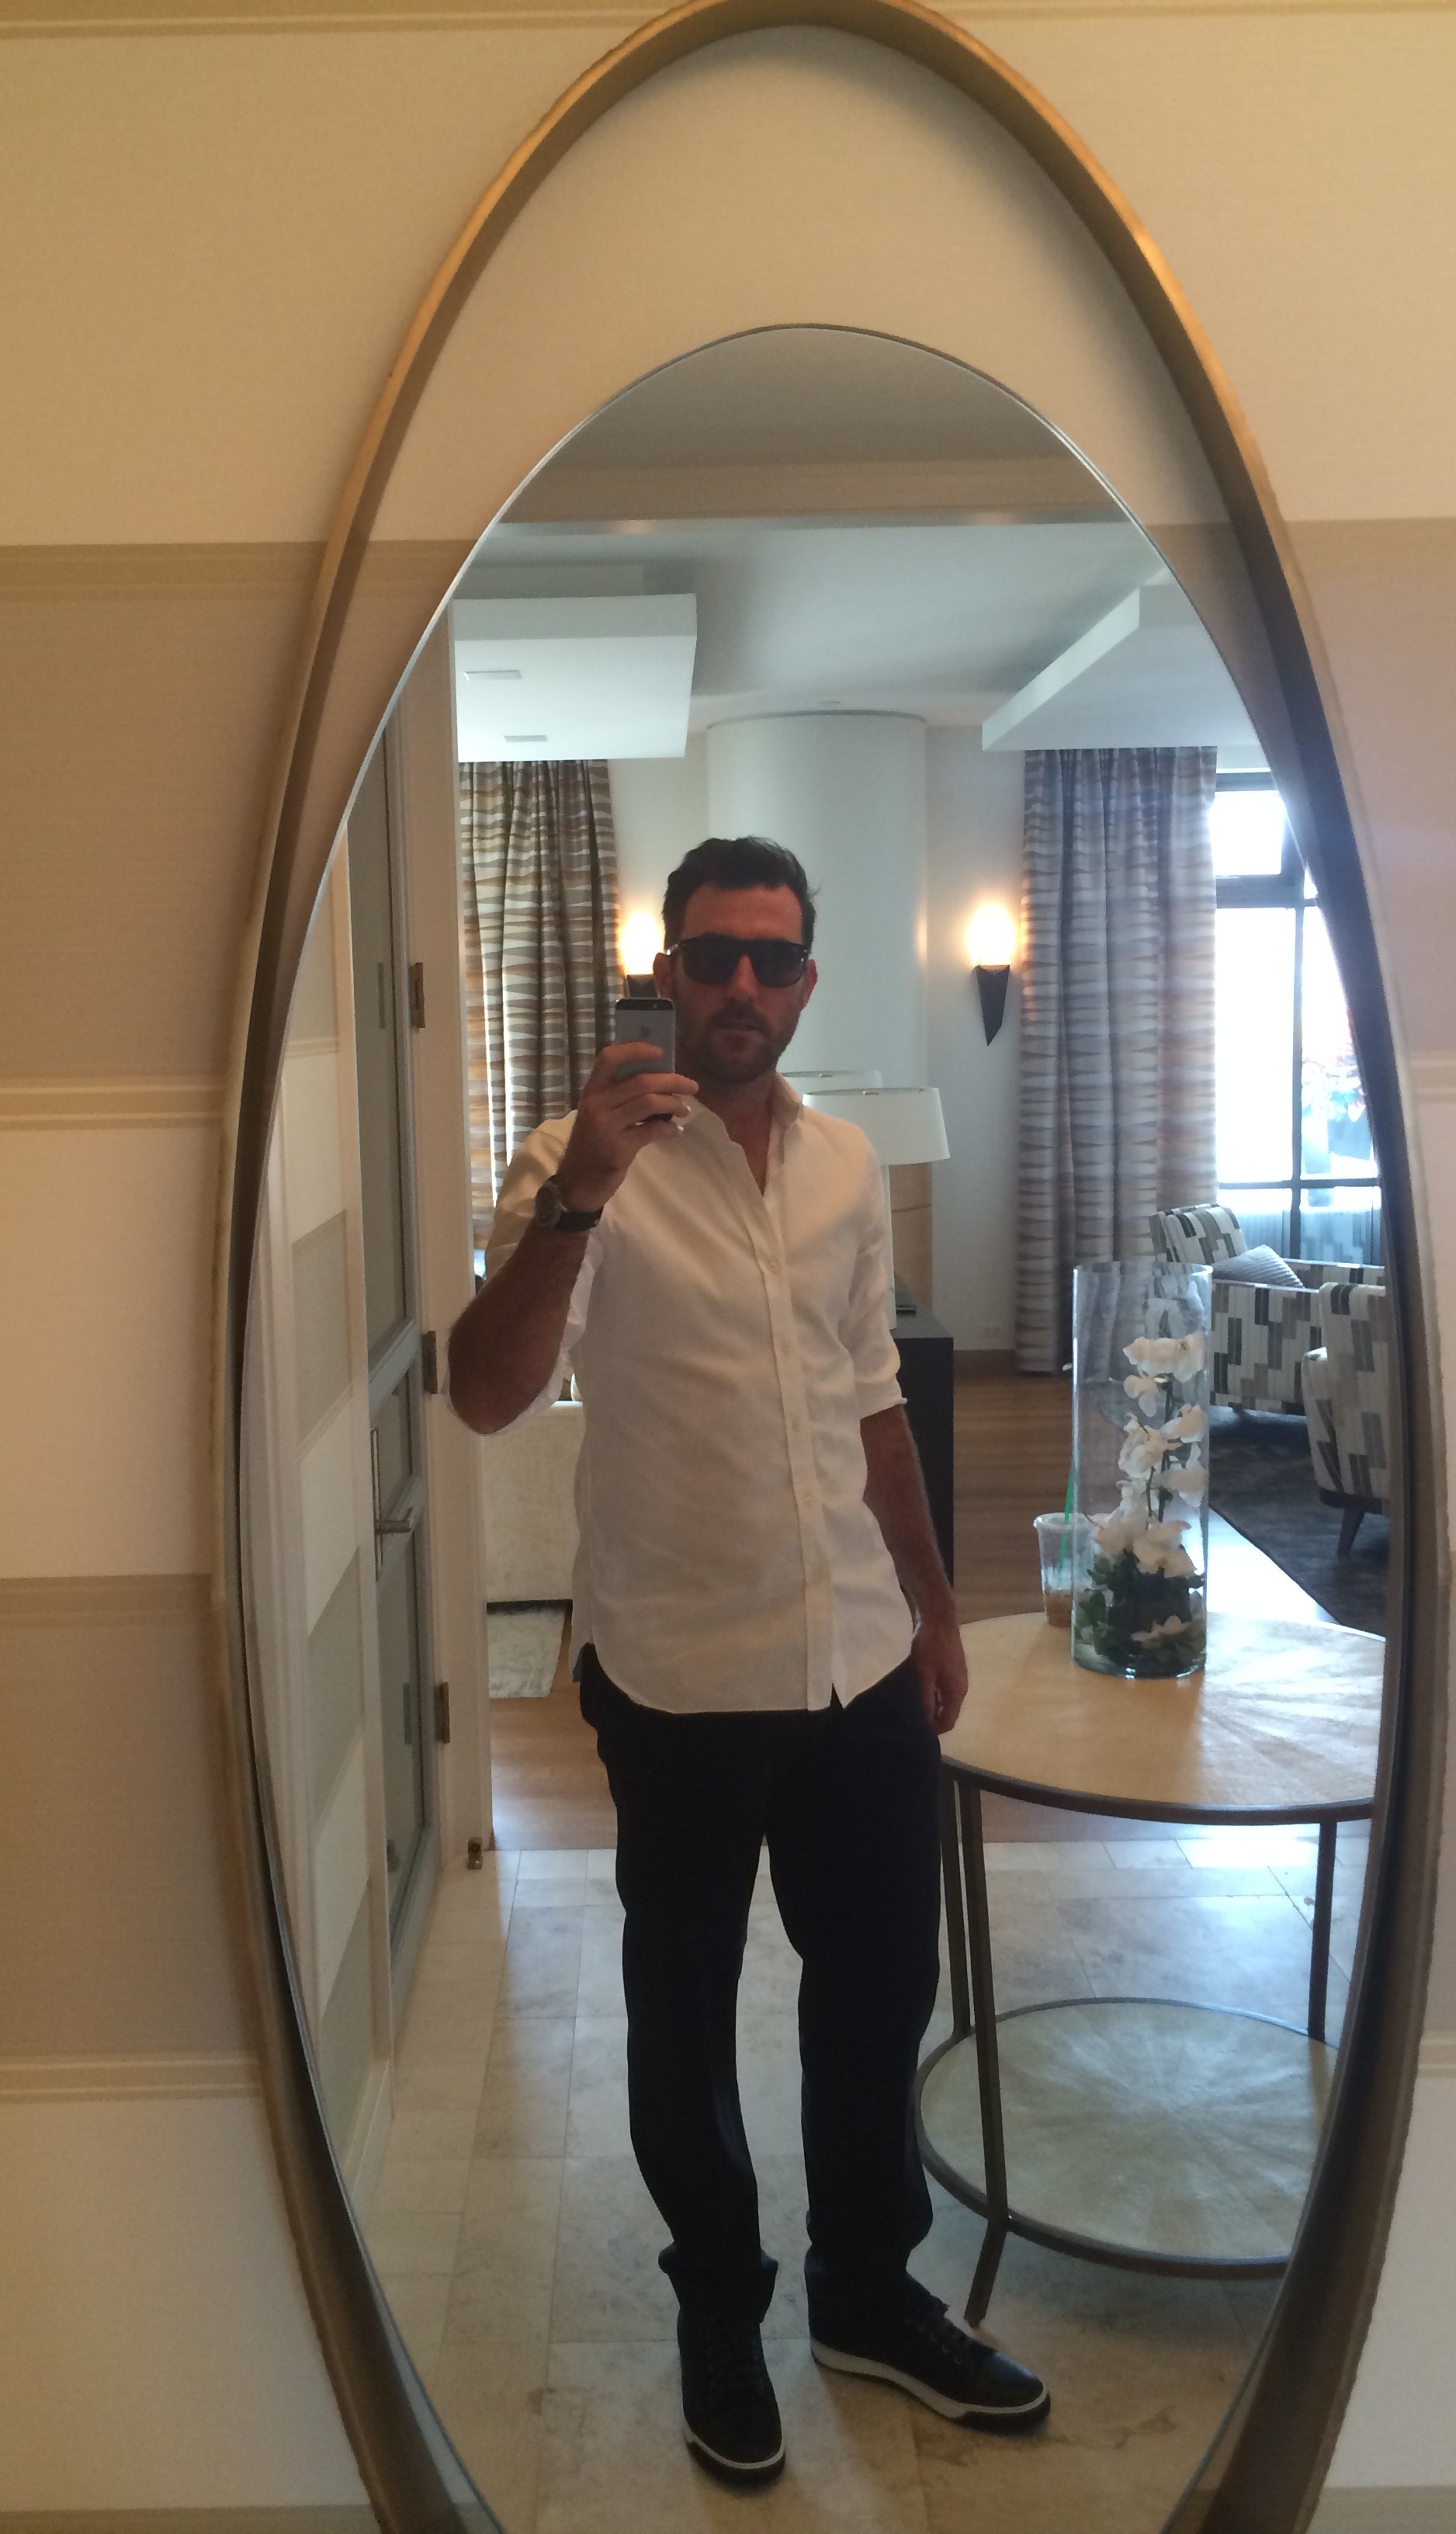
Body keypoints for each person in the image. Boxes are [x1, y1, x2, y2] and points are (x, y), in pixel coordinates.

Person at [447, 836, 1049, 2484]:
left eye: (769, 960)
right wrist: (580, 1191)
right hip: (678, 1680)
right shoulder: (575, 1163)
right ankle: (719, 2302)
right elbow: (486, 1393)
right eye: (709, 956)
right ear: (667, 971)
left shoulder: (846, 1166)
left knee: (879, 1991)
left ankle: (867, 2290)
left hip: (858, 1660)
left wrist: (933, 1607)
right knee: (684, 2010)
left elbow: (874, 1404)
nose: (738, 986)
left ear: (805, 981)